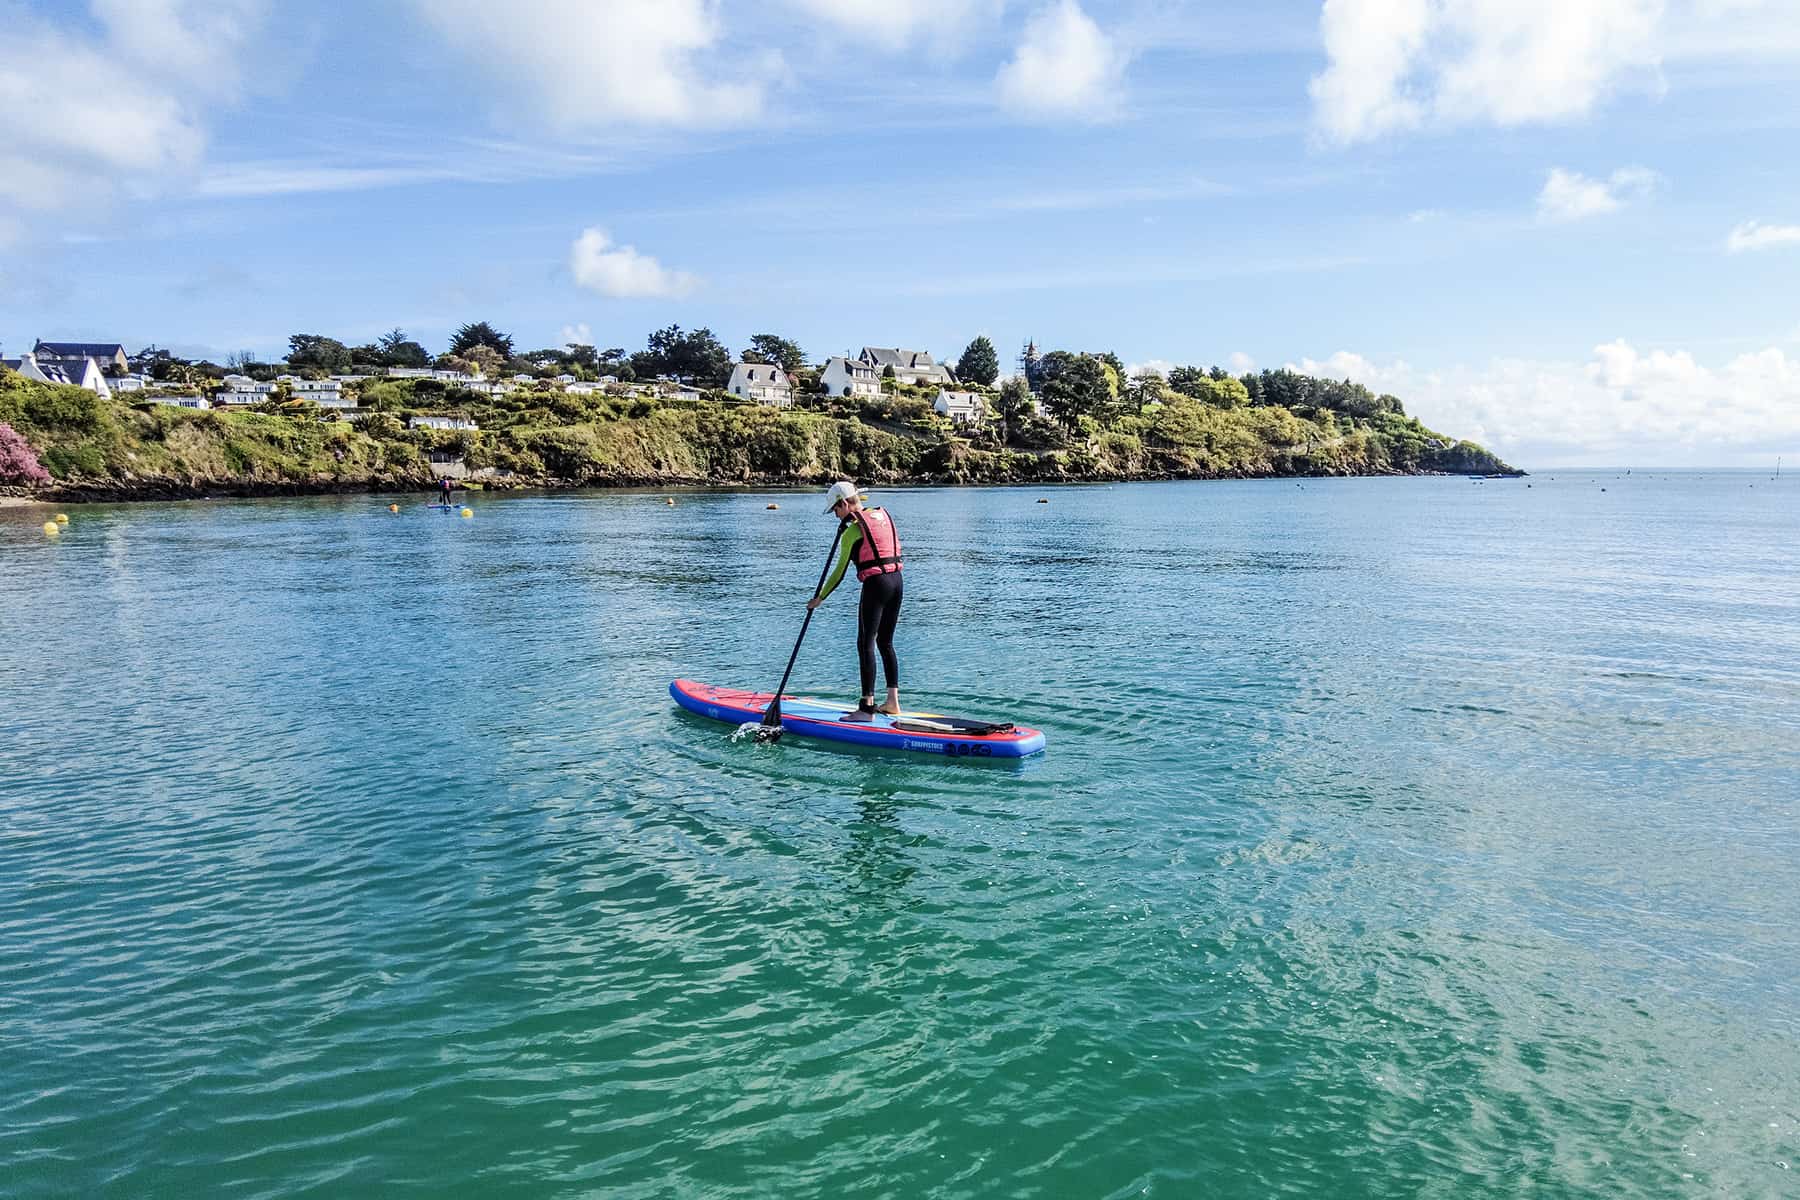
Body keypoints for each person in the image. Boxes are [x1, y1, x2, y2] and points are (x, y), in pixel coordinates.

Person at [807, 479, 903, 721]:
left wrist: (819, 598)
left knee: (865, 643)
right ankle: (892, 703)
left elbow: (839, 572)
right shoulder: (883, 516)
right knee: (886, 643)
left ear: (845, 503)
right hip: (897, 582)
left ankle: (866, 709)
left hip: (876, 586)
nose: (836, 516)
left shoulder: (851, 531)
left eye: (836, 510)